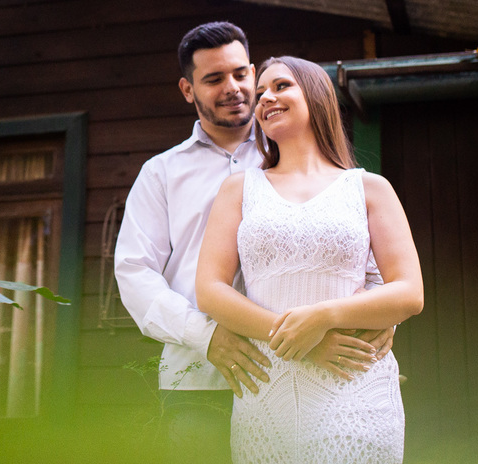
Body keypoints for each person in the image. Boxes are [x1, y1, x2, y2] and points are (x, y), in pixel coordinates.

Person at [115, 24, 392, 462]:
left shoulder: (299, 153)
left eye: (241, 74)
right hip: (201, 379)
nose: (235, 89)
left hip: (318, 368)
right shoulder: (161, 173)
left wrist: (376, 317)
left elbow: (363, 260)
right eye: (213, 79)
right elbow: (134, 273)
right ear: (188, 89)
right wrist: (207, 337)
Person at [196, 55, 424, 464]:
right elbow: (210, 291)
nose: (266, 97)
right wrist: (293, 338)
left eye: (281, 86)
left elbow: (409, 292)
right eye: (261, 91)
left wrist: (322, 317)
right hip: (268, 387)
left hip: (356, 389)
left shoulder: (369, 188)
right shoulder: (238, 190)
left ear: (317, 96)